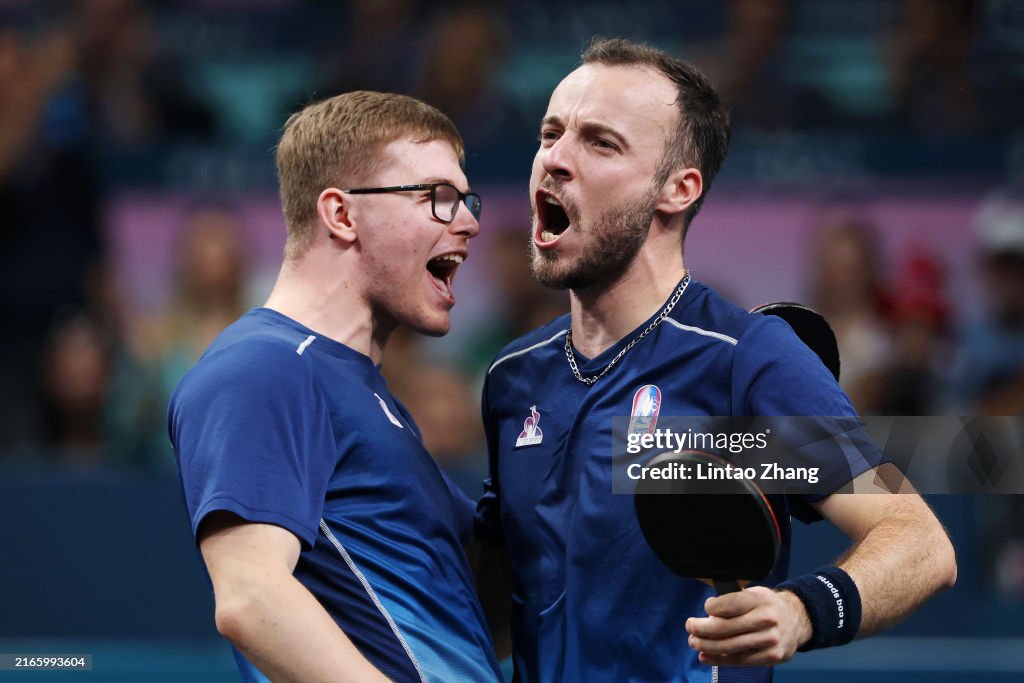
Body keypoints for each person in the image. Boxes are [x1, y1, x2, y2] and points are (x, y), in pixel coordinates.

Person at [474, 38, 956, 682]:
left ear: (678, 188)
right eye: (550, 133)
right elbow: (505, 606)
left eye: (600, 143)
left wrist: (801, 611)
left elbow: (921, 542)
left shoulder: (746, 359)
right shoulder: (513, 378)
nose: (554, 160)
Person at [169, 91, 502, 683]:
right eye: (438, 198)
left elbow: (473, 611)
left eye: (466, 199)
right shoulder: (262, 368)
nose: (471, 222)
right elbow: (251, 597)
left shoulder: (361, 392)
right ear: (341, 215)